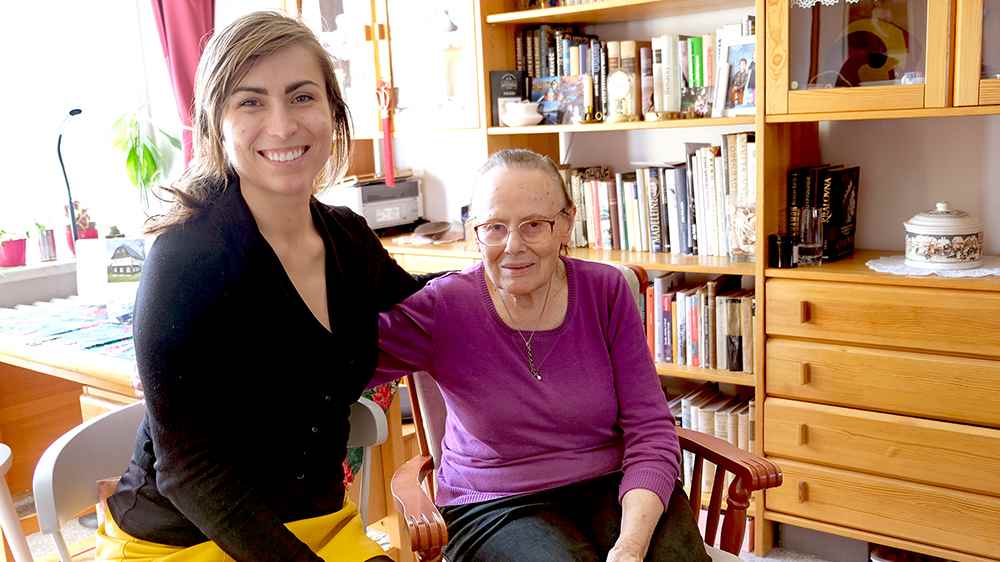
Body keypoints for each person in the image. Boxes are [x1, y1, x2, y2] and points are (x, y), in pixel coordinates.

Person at [101, 11, 423, 562]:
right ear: (216, 124)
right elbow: (187, 473)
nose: (282, 125)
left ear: (333, 111)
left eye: (302, 97)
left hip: (319, 525)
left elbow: (426, 306)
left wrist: (513, 263)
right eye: (250, 102)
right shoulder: (186, 258)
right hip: (186, 541)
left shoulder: (348, 238)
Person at [376, 149, 711, 562]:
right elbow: (336, 362)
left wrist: (630, 546)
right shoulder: (443, 305)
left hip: (613, 482)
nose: (513, 246)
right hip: (494, 503)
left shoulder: (605, 291)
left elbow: (650, 427)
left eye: (534, 225)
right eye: (494, 227)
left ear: (566, 223)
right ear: (474, 230)